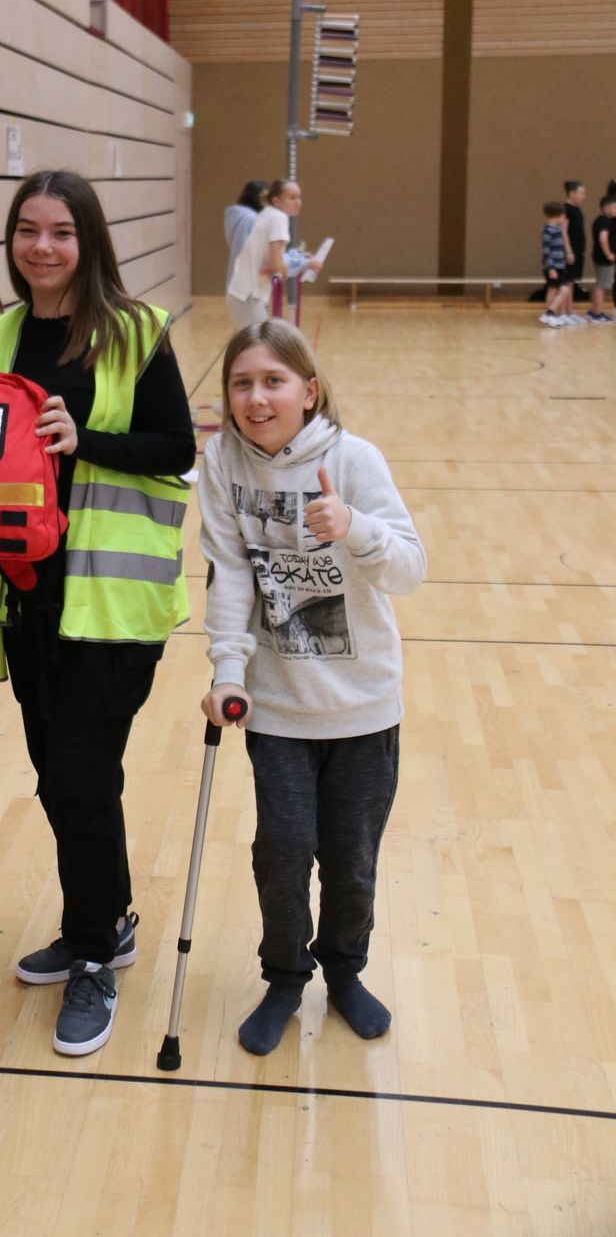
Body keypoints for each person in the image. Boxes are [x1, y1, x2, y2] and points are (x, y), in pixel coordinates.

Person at [0, 169, 195, 1057]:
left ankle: (96, 957)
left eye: (62, 232)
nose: (43, 247)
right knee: (61, 775)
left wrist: (88, 440)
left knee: (79, 774)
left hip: (110, 602)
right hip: (27, 597)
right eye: (28, 230)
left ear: (89, 241)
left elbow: (177, 446)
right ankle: (100, 924)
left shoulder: (136, 331)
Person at [198, 319, 425, 1055]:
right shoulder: (222, 463)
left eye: (274, 381)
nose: (256, 398)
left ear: (309, 390)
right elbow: (231, 575)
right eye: (242, 383)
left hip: (363, 706)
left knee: (351, 860)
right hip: (278, 707)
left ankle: (346, 973)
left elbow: (409, 570)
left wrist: (354, 526)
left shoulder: (354, 460)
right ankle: (286, 978)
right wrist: (227, 672)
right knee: (284, 851)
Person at [226, 179, 321, 327]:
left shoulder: (269, 214)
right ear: (276, 201)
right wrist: (303, 264)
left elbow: (273, 261)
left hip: (243, 294)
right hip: (248, 296)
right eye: (292, 198)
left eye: (299, 197)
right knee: (262, 340)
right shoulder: (279, 218)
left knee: (261, 339)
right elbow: (276, 264)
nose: (298, 202)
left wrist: (295, 260)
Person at [224, 180, 269, 293]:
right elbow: (247, 251)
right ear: (258, 199)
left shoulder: (239, 217)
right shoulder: (250, 220)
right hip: (248, 284)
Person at [588, 193, 616, 322]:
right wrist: (608, 254)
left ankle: (594, 311)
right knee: (601, 286)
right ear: (606, 207)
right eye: (614, 207)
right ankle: (597, 314)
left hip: (599, 257)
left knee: (599, 284)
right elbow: (603, 238)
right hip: (604, 259)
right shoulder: (604, 221)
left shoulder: (601, 220)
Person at [563, 181, 588, 305]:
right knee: (567, 282)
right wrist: (568, 251)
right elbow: (563, 232)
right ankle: (563, 311)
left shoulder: (576, 210)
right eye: (581, 193)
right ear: (572, 194)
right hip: (570, 251)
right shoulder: (566, 210)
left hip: (577, 251)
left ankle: (569, 311)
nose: (584, 196)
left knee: (571, 281)